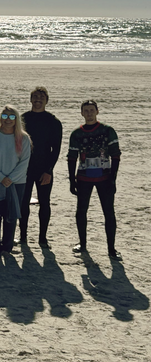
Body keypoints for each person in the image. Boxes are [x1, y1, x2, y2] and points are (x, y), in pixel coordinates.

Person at [67, 99, 121, 259]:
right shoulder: (76, 134)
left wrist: (113, 178)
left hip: (105, 178)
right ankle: (82, 244)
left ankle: (111, 249)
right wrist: (72, 180)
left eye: (92, 110)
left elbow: (115, 155)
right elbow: (72, 157)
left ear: (97, 111)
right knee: (81, 211)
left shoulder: (108, 130)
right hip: (84, 177)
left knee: (109, 212)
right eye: (86, 111)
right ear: (81, 113)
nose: (89, 113)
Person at [19, 86, 63, 248]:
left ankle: (42, 238)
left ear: (46, 101)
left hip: (44, 168)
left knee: (44, 202)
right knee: (23, 202)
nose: (38, 100)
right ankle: (23, 237)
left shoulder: (53, 122)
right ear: (31, 99)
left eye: (41, 98)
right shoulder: (22, 119)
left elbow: (56, 149)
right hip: (25, 168)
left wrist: (48, 171)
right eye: (35, 97)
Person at [0, 106, 31, 254]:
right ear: (0, 118)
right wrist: (0, 177)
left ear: (16, 119)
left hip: (16, 183)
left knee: (10, 215)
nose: (8, 120)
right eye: (5, 116)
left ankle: (7, 246)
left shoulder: (24, 138)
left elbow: (24, 162)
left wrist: (9, 179)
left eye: (12, 116)